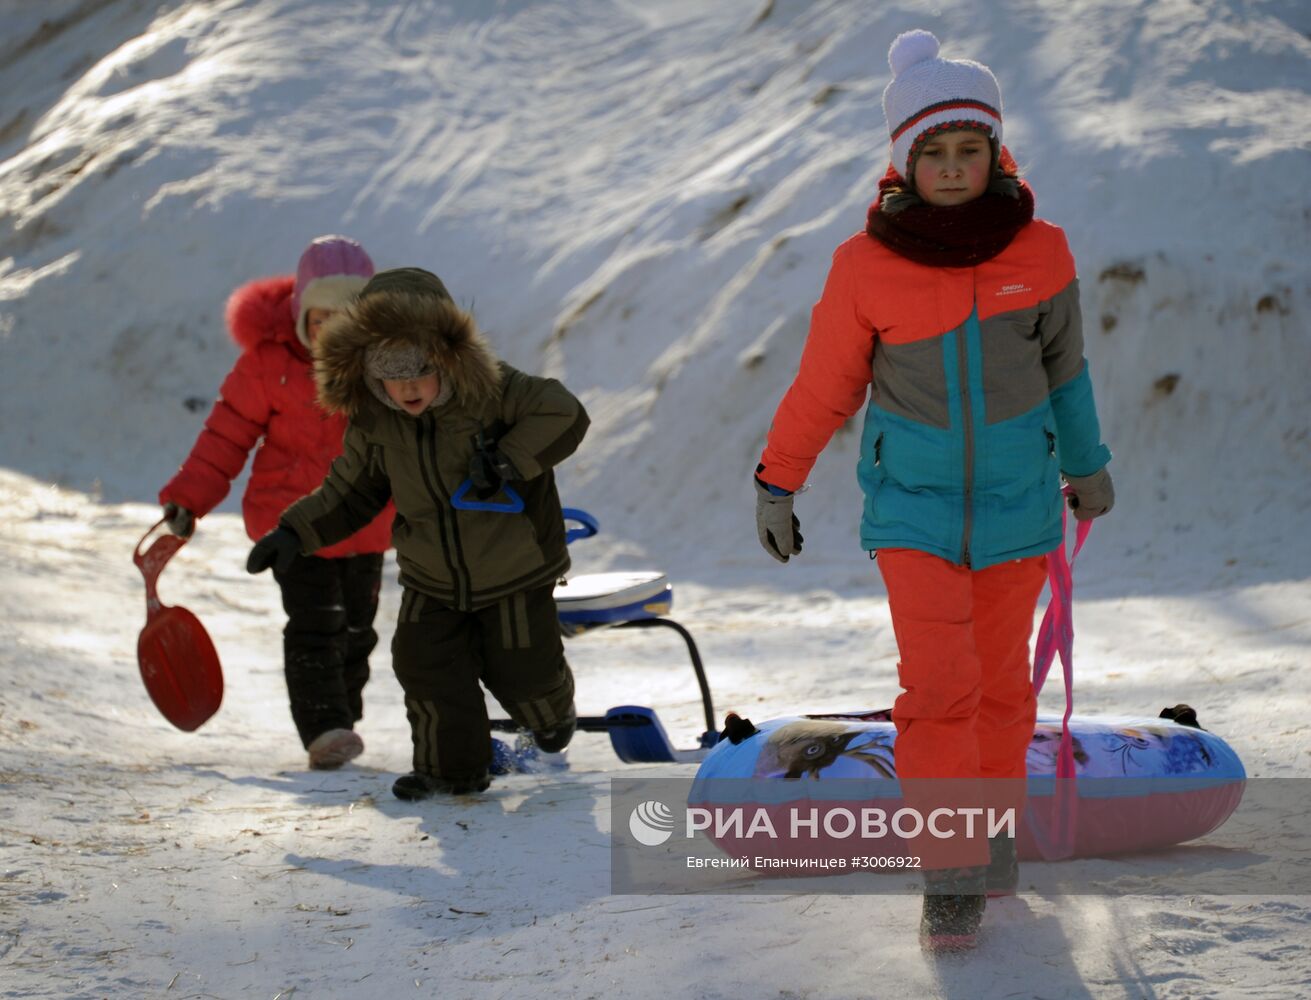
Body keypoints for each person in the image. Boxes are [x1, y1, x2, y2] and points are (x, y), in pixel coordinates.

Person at [752, 30, 1113, 950]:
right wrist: (776, 482)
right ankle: (946, 866)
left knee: (1000, 693)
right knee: (941, 687)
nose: (952, 168)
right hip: (910, 511)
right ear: (901, 161)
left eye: (969, 148)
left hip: (1019, 507)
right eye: (932, 152)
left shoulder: (1042, 251)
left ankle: (985, 831)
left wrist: (1086, 463)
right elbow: (825, 385)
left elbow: (1067, 373)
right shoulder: (864, 265)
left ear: (995, 151)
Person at [246, 267, 589, 801]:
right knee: (425, 666)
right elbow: (349, 490)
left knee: (523, 669)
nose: (406, 387)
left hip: (513, 566)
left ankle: (549, 714)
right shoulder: (375, 424)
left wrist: (506, 460)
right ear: (366, 369)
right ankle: (451, 771)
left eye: (420, 370)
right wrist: (295, 532)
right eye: (389, 372)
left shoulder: (494, 391)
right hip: (431, 576)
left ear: (447, 356)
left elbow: (564, 413)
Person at [158, 235, 392, 771]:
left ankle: (342, 719)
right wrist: (188, 499)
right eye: (320, 319)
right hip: (293, 524)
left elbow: (422, 438)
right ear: (298, 314)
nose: (332, 333)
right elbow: (226, 436)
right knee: (316, 624)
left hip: (367, 524)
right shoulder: (269, 365)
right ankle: (323, 726)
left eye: (347, 321)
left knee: (358, 630)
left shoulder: (386, 370)